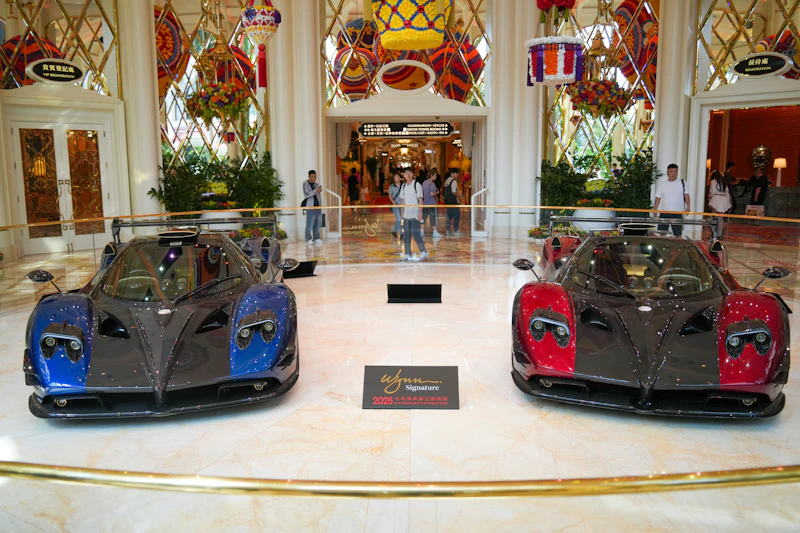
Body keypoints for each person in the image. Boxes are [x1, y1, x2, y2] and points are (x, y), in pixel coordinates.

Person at [399, 168, 429, 261]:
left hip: (415, 213)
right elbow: (403, 200)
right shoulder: (403, 186)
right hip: (407, 214)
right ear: (403, 175)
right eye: (406, 173)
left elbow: (420, 199)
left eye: (410, 173)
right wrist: (402, 213)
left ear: (413, 174)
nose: (408, 175)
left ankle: (423, 251)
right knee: (406, 234)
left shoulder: (417, 185)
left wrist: (420, 212)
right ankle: (408, 253)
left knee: (416, 233)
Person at [653, 163, 690, 236]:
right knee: (662, 233)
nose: (673, 173)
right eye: (671, 171)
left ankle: (680, 247)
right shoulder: (663, 184)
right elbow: (658, 197)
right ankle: (661, 247)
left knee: (678, 234)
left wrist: (688, 207)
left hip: (677, 213)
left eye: (675, 171)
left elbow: (686, 195)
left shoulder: (682, 183)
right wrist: (655, 209)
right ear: (667, 172)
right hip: (664, 212)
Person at [708, 170, 732, 238]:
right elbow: (727, 192)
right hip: (724, 199)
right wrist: (728, 202)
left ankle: (714, 233)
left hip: (716, 198)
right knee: (720, 218)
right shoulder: (724, 182)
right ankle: (719, 233)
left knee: (713, 217)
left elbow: (712, 192)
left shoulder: (713, 181)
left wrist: (709, 197)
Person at [303, 170, 323, 245]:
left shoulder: (316, 184)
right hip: (310, 207)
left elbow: (317, 195)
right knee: (309, 224)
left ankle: (316, 238)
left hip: (317, 206)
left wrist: (318, 190)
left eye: (315, 176)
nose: (314, 178)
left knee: (317, 224)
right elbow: (307, 194)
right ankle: (308, 239)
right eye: (312, 177)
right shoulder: (305, 184)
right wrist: (315, 190)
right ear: (309, 176)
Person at [422, 169, 442, 238]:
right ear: (432, 175)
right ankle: (435, 232)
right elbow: (432, 194)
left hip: (425, 203)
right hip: (431, 203)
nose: (436, 176)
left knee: (423, 218)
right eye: (435, 175)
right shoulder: (432, 183)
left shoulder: (424, 183)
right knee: (433, 217)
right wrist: (437, 193)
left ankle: (421, 232)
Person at [443, 168, 462, 236]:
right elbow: (453, 191)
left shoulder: (446, 180)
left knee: (449, 216)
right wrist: (459, 196)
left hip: (447, 201)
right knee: (456, 216)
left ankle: (448, 230)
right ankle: (455, 230)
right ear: (452, 173)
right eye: (456, 173)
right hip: (453, 201)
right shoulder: (454, 181)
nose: (457, 175)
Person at [388, 171, 403, 239]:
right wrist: (393, 202)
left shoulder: (403, 186)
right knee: (399, 219)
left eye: (397, 177)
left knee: (398, 219)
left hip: (402, 205)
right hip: (395, 205)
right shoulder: (392, 186)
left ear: (400, 178)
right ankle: (401, 234)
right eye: (395, 177)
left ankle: (394, 231)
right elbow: (390, 195)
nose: (396, 178)